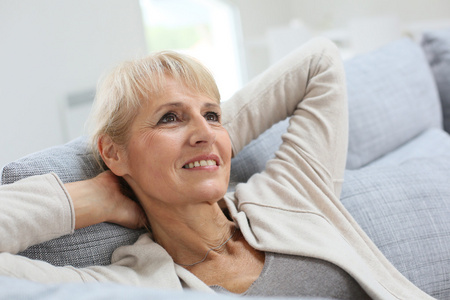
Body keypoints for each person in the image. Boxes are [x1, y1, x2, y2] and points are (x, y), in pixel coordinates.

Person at [0, 38, 432, 299]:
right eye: (169, 117)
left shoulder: (290, 192)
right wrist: (85, 199)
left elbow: (319, 62)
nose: (203, 130)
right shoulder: (127, 286)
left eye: (213, 114)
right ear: (113, 155)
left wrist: (207, 143)